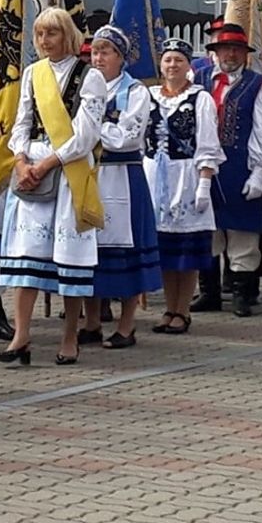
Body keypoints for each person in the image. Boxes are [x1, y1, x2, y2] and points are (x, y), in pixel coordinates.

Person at [0, 7, 107, 364]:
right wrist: (22, 160)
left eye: (52, 34)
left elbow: (86, 134)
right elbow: (21, 122)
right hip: (33, 169)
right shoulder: (32, 73)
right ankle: (21, 335)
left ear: (68, 36)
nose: (45, 41)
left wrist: (46, 163)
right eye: (40, 34)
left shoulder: (89, 77)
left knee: (68, 259)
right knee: (27, 257)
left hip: (69, 170)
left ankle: (71, 335)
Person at [79, 25, 160, 352]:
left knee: (126, 251)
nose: (98, 58)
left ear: (120, 57)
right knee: (88, 251)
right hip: (89, 176)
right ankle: (92, 321)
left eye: (106, 52)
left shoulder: (136, 92)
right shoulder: (83, 88)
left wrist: (93, 128)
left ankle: (126, 326)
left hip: (123, 176)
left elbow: (129, 135)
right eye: (95, 52)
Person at [193, 23, 262, 317]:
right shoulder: (198, 78)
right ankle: (209, 292)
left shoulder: (256, 84)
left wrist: (259, 173)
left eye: (237, 49)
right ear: (214, 52)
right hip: (202, 168)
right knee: (207, 231)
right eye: (225, 48)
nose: (230, 54)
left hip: (240, 166)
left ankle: (242, 294)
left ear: (244, 53)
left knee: (242, 234)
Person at [144, 38, 223, 334]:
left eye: (178, 60)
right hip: (155, 177)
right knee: (164, 249)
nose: (173, 65)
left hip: (186, 177)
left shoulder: (200, 99)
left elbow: (207, 143)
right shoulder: (150, 97)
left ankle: (183, 310)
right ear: (161, 65)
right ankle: (168, 307)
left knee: (186, 251)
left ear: (189, 64)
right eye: (168, 60)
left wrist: (204, 182)